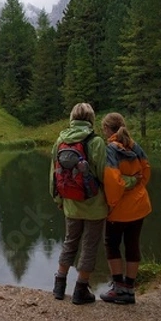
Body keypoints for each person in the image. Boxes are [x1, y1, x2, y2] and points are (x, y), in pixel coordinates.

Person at [49, 102, 107, 305]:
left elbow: (53, 175)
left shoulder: (60, 140)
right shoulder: (97, 141)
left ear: (72, 118)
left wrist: (58, 199)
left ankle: (59, 286)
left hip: (70, 202)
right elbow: (103, 175)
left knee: (70, 242)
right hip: (94, 204)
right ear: (91, 119)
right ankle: (81, 290)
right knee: (89, 246)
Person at [99, 112, 152, 304]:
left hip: (119, 209)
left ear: (106, 129)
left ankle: (118, 288)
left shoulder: (110, 149)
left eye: (103, 128)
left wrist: (111, 205)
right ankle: (130, 289)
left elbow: (113, 182)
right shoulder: (134, 145)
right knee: (132, 244)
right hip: (139, 205)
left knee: (111, 245)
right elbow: (146, 171)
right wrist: (138, 188)